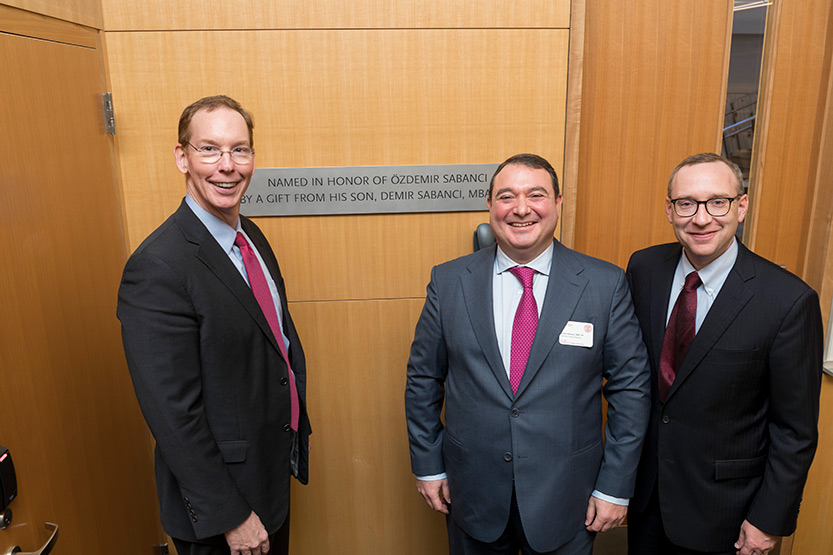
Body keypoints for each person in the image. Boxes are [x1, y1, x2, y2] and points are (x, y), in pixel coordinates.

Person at [405, 153, 651, 554]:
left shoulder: (605, 284)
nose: (521, 209)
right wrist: (429, 465)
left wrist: (615, 487)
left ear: (557, 204)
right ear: (490, 206)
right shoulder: (449, 281)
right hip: (473, 493)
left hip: (569, 497)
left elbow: (631, 390)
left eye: (536, 195)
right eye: (507, 196)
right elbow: (422, 380)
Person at [118, 95, 310, 555]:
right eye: (209, 149)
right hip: (221, 513)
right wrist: (232, 517)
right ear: (182, 157)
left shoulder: (251, 237)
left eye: (239, 150)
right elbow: (172, 415)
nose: (227, 166)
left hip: (267, 481)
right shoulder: (158, 266)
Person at [626, 153, 823, 555]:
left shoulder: (787, 300)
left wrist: (768, 519)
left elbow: (795, 431)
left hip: (726, 514)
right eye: (687, 203)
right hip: (646, 500)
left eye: (718, 202)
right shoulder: (644, 268)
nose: (701, 218)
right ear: (669, 209)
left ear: (742, 206)